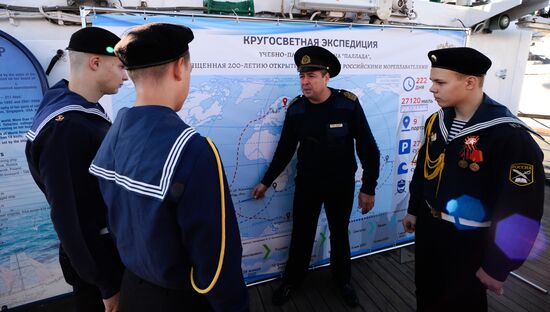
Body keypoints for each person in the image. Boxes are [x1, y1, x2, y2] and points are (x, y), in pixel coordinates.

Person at [88, 23, 249, 312]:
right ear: (178, 68)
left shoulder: (113, 135)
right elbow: (216, 264)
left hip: (133, 289)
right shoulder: (192, 151)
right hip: (180, 300)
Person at [402, 47, 545, 312]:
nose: (432, 88)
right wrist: (414, 209)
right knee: (427, 293)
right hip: (431, 231)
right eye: (433, 81)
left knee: (463, 303)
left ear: (470, 82)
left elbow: (522, 208)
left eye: (440, 82)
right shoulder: (437, 122)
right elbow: (424, 170)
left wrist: (497, 266)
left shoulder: (509, 136)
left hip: (470, 241)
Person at [252, 46, 380, 307]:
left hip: (340, 184)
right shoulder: (297, 110)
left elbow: (368, 148)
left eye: (311, 75)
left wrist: (369, 187)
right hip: (308, 184)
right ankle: (292, 281)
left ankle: (342, 280)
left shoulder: (347, 105)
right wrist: (266, 181)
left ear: (326, 77)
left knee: (339, 234)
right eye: (302, 76)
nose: (305, 82)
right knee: (302, 234)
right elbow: (285, 149)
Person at [25, 27, 127, 312]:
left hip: (101, 255)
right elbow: (72, 219)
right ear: (95, 62)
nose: (126, 76)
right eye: (120, 66)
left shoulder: (70, 107)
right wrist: (108, 286)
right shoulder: (67, 128)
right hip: (99, 265)